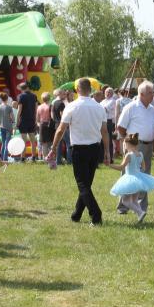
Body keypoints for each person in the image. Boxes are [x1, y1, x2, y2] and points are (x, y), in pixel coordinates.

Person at [48, 78, 109, 226]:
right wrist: (107, 151)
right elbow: (104, 131)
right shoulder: (99, 107)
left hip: (79, 149)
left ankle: (96, 214)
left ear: (77, 89)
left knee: (83, 185)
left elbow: (60, 130)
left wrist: (53, 148)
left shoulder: (72, 106)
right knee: (86, 184)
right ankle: (76, 215)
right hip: (95, 148)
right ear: (90, 89)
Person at [115, 82, 154, 215]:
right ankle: (123, 205)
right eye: (150, 93)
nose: (153, 95)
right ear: (142, 94)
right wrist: (128, 143)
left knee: (144, 175)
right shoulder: (131, 107)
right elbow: (121, 127)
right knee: (128, 175)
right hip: (134, 146)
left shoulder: (152, 109)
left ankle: (141, 207)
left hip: (148, 145)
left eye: (152, 92)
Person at [107, 133, 154, 223]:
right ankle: (140, 216)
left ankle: (140, 212)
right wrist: (137, 172)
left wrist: (110, 165)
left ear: (128, 144)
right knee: (134, 201)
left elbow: (121, 167)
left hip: (130, 178)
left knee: (125, 201)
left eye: (124, 144)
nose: (124, 146)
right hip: (138, 178)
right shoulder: (140, 154)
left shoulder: (129, 155)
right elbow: (143, 168)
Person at [16, 83, 39, 162]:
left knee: (23, 140)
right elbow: (36, 109)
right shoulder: (34, 96)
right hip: (32, 120)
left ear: (21, 89)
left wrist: (17, 121)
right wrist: (36, 120)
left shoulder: (21, 96)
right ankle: (33, 157)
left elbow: (19, 110)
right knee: (33, 140)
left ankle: (23, 158)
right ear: (28, 87)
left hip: (23, 120)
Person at [51, 89, 72, 165]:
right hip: (63, 125)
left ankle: (58, 161)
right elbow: (62, 115)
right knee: (69, 144)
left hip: (56, 125)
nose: (65, 95)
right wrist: (67, 123)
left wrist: (56, 120)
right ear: (59, 94)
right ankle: (69, 161)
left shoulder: (54, 103)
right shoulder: (61, 104)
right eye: (63, 94)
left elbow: (52, 115)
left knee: (58, 144)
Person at [100, 87, 117, 161]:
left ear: (112, 93)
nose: (107, 93)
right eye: (106, 92)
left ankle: (110, 158)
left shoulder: (113, 101)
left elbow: (104, 109)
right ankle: (102, 157)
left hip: (108, 121)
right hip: (102, 121)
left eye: (109, 92)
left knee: (109, 140)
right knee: (101, 139)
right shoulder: (103, 101)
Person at [36, 92, 54, 162]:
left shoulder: (39, 107)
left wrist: (40, 125)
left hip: (42, 125)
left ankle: (45, 158)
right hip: (49, 125)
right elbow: (52, 117)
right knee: (51, 143)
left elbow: (37, 119)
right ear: (49, 98)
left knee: (44, 144)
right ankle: (51, 158)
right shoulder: (51, 106)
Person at [0, 92, 14, 162]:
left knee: (3, 143)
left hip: (1, 126)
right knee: (7, 143)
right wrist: (13, 122)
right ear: (7, 99)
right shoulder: (9, 107)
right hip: (8, 127)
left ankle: (1, 158)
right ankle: (5, 158)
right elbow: (12, 118)